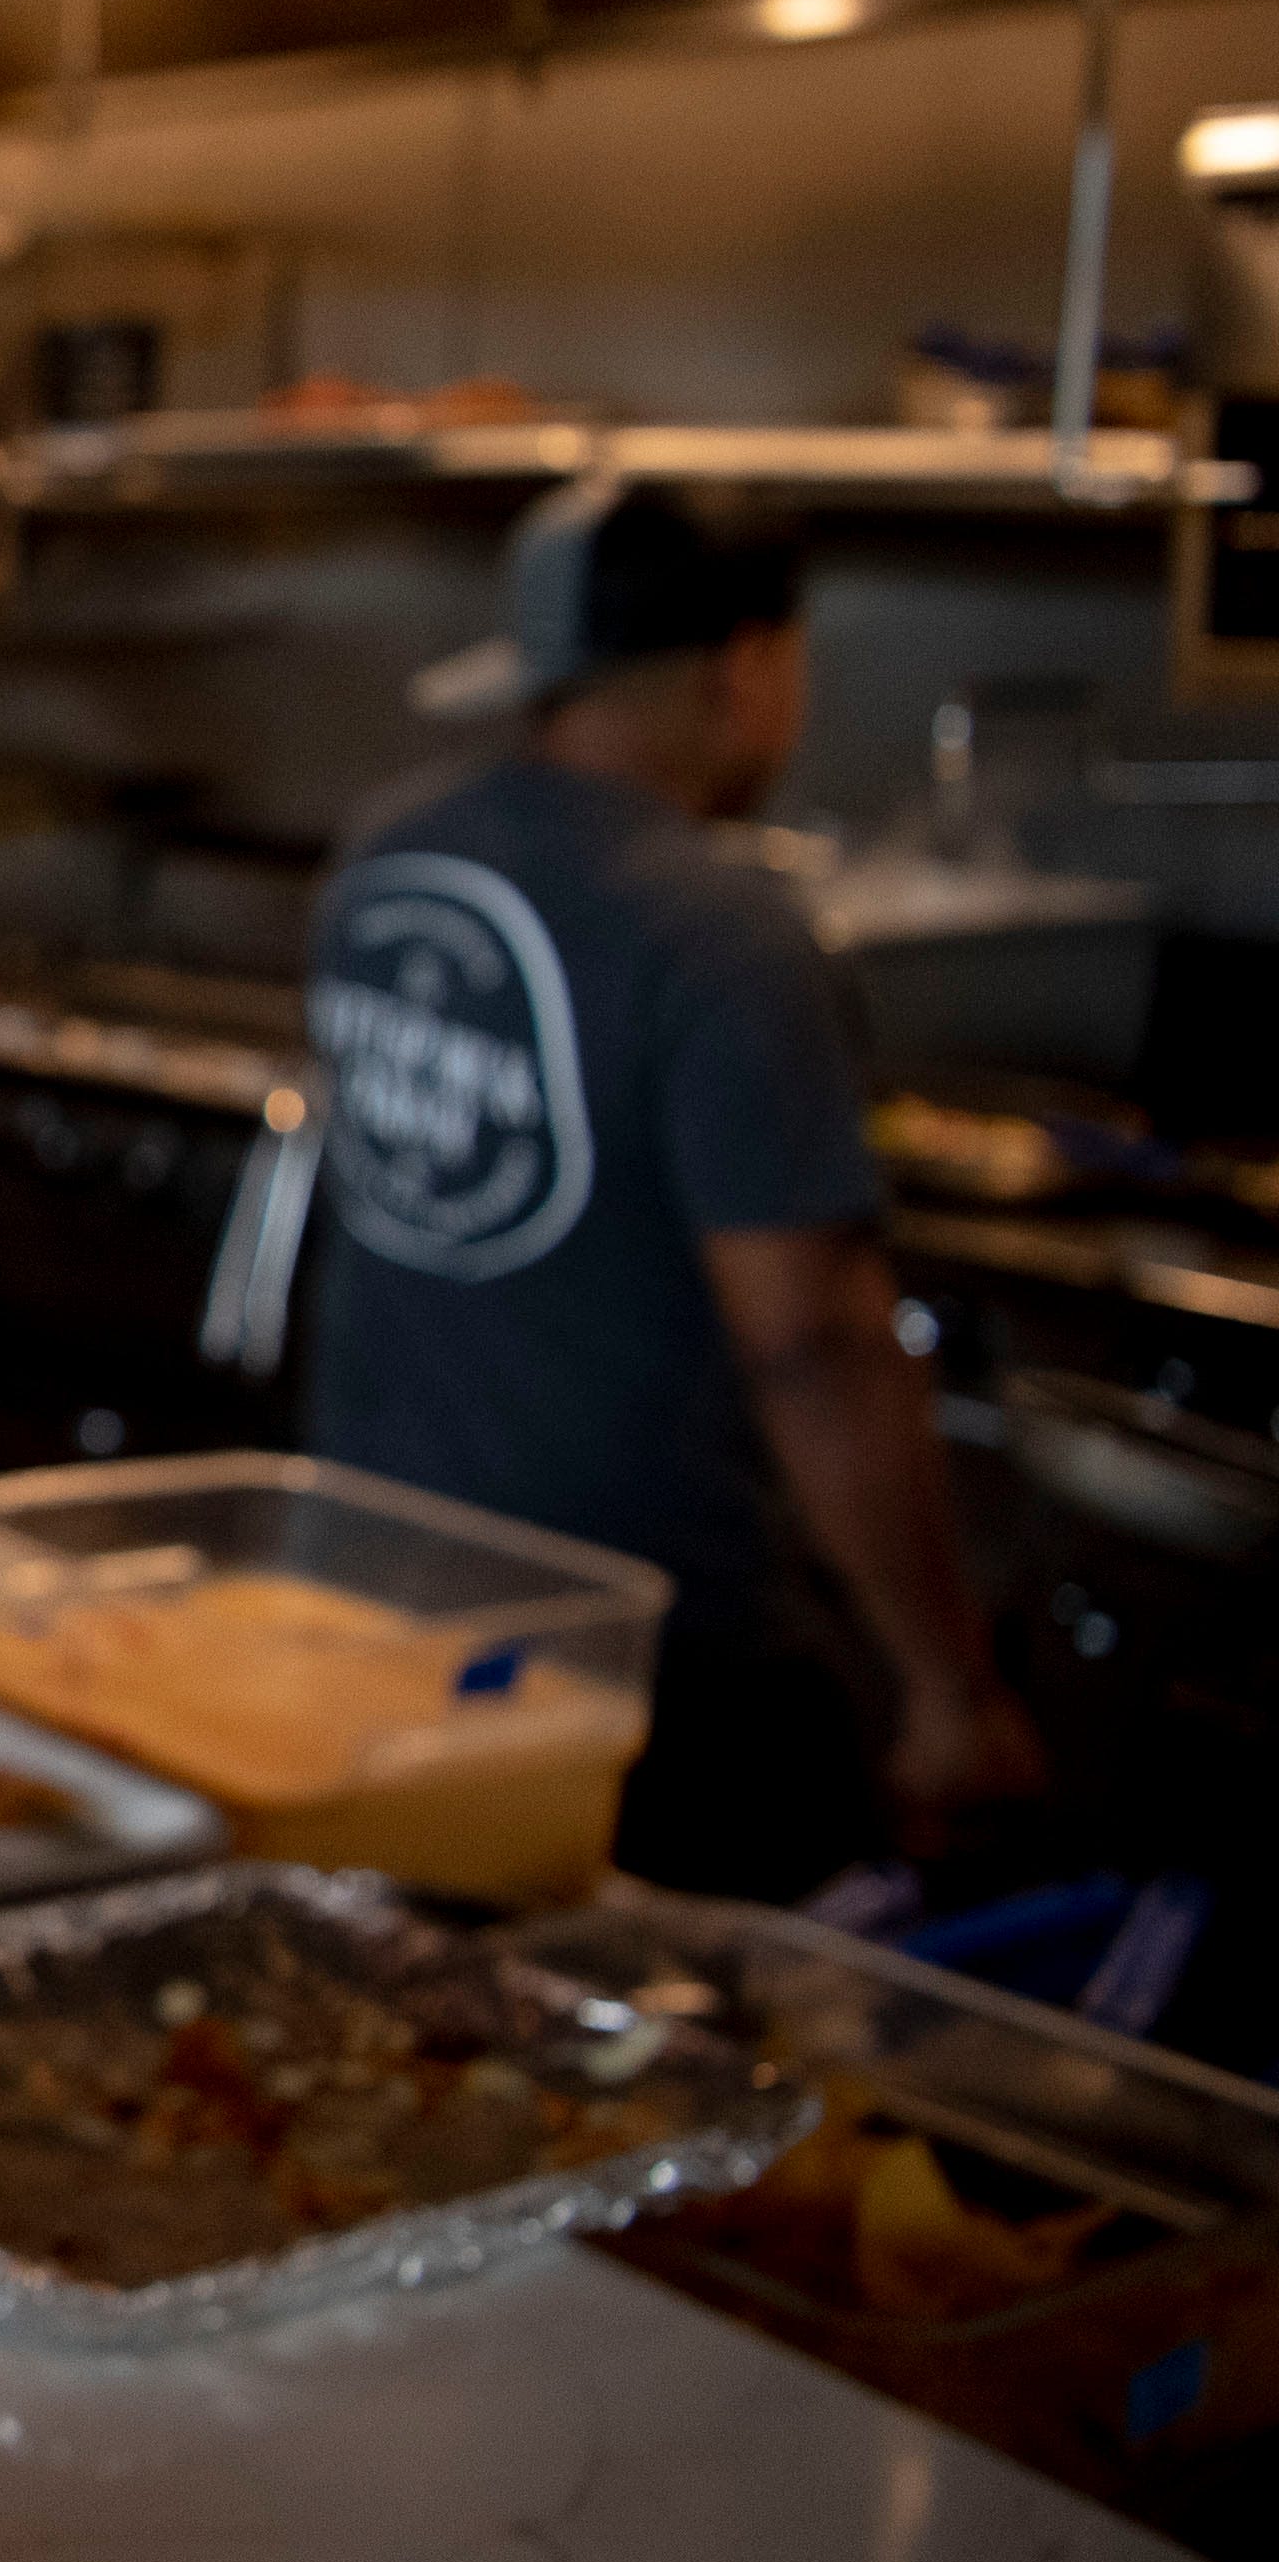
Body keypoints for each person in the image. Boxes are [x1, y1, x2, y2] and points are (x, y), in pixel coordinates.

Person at [304, 477, 1052, 1894]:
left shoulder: (388, 856)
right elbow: (816, 1348)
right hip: (645, 1664)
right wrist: (948, 1689)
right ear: (749, 667)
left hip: (379, 1591)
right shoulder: (724, 942)